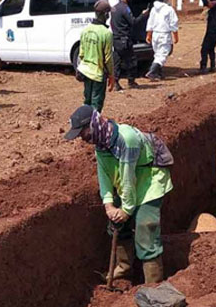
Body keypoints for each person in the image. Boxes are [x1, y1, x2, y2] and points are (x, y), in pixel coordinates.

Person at [63, 105, 174, 285]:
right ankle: (123, 271)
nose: (82, 139)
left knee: (145, 228)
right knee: (116, 224)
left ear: (92, 125)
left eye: (82, 133)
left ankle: (154, 285)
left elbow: (128, 176)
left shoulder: (126, 138)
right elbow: (104, 174)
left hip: (149, 180)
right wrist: (109, 205)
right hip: (129, 184)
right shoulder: (101, 143)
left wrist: (126, 210)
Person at [76, 0, 115, 112]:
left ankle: (84, 125)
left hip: (86, 72)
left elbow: (81, 54)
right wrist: (112, 76)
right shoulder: (106, 33)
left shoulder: (85, 30)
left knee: (87, 101)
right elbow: (108, 58)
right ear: (106, 14)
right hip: (98, 74)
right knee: (96, 105)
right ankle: (93, 127)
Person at [110, 0, 148, 90]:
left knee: (117, 62)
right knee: (131, 61)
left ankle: (116, 83)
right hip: (124, 40)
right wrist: (143, 15)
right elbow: (133, 22)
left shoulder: (114, 8)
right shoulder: (125, 8)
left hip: (116, 39)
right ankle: (131, 82)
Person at [145, 0, 179, 79]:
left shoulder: (153, 9)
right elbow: (173, 23)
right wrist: (176, 36)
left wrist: (149, 35)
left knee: (157, 54)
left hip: (155, 34)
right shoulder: (169, 9)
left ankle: (158, 73)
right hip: (164, 34)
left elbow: (150, 23)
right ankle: (152, 72)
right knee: (162, 55)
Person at [198, 0, 216, 73]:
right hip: (215, 31)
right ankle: (212, 66)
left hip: (213, 31)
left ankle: (203, 67)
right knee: (211, 49)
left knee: (204, 49)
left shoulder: (215, 4)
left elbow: (207, 4)